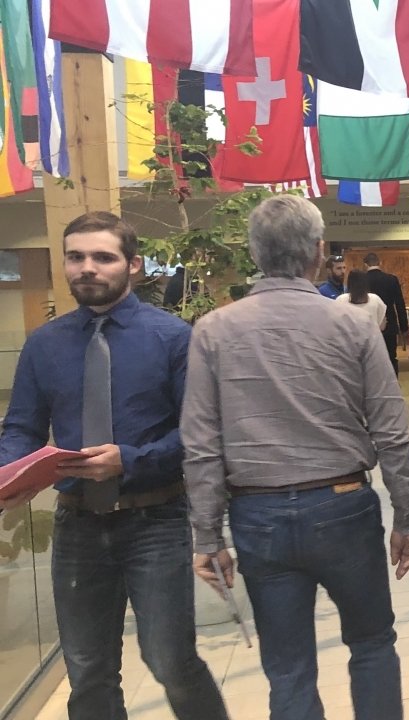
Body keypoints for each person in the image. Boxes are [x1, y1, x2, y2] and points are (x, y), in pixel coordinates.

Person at [183, 195, 409, 720]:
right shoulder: (354, 326)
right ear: (319, 252)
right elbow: (391, 429)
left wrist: (207, 536)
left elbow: (201, 445)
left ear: (254, 253)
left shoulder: (213, 332)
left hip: (258, 515)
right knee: (372, 644)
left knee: (288, 667)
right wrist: (406, 515)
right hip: (342, 505)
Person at [0, 211, 228, 719]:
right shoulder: (44, 344)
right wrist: (9, 472)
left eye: (103, 257)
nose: (88, 268)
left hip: (156, 521)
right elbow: (21, 427)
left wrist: (129, 460)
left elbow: (200, 434)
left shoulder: (173, 338)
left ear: (134, 264)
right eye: (76, 257)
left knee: (170, 660)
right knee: (87, 669)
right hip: (77, 524)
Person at [363, 253, 409, 373]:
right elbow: (399, 303)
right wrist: (403, 326)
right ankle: (393, 384)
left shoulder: (362, 280)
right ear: (380, 263)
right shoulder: (391, 279)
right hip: (390, 325)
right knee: (391, 357)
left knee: (370, 360)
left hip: (368, 326)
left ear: (365, 265)